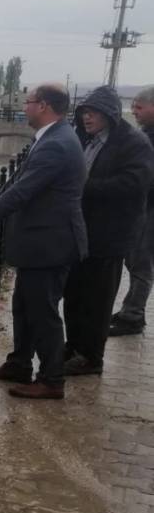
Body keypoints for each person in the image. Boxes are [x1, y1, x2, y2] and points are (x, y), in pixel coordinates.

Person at [0, 83, 87, 400]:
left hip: (50, 244)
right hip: (41, 243)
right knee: (25, 308)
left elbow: (20, 193)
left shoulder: (56, 144)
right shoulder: (54, 138)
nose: (23, 108)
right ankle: (19, 364)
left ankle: (52, 380)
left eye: (27, 102)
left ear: (42, 106)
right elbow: (19, 189)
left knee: (43, 313)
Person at [62, 86, 154, 375]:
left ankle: (91, 357)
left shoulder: (133, 143)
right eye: (84, 113)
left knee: (98, 299)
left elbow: (134, 185)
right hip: (81, 232)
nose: (87, 118)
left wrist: (85, 188)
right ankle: (73, 346)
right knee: (75, 293)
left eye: (93, 113)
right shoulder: (86, 139)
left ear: (110, 114)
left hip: (109, 235)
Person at [109, 86, 154, 336]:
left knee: (140, 261)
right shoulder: (147, 133)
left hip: (149, 207)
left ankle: (133, 316)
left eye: (139, 107)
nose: (134, 112)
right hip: (143, 206)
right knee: (135, 258)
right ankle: (131, 309)